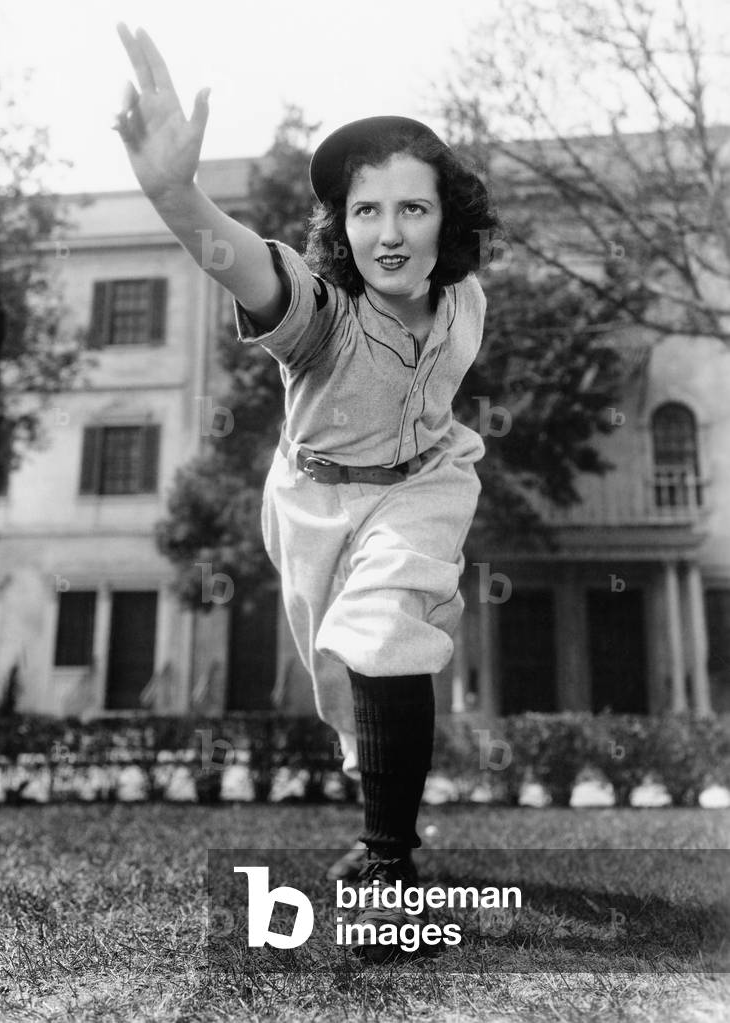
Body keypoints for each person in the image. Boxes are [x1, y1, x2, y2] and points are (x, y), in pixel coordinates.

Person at [114, 24, 499, 962]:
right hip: (317, 504)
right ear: (344, 224)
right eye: (368, 211)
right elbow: (245, 261)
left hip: (423, 484)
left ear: (448, 219)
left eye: (414, 208)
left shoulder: (467, 303)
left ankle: (390, 869)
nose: (390, 231)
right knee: (347, 691)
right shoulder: (320, 317)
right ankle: (385, 817)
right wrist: (174, 191)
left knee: (383, 632)